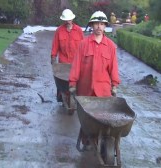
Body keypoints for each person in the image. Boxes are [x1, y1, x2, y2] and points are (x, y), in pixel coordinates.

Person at [69, 10, 120, 149]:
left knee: (103, 118)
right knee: (87, 118)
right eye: (96, 23)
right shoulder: (83, 44)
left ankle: (101, 139)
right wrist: (72, 83)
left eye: (102, 24)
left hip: (103, 90)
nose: (99, 26)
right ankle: (87, 140)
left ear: (105, 26)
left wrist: (114, 85)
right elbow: (76, 65)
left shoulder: (110, 46)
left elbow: (113, 68)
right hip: (85, 89)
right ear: (91, 25)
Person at [51, 9, 84, 102]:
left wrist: (85, 59)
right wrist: (53, 58)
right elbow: (55, 45)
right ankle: (61, 97)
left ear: (72, 19)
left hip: (75, 62)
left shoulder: (78, 31)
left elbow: (83, 47)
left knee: (76, 81)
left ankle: (76, 98)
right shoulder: (59, 31)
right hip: (63, 62)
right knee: (62, 82)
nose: (68, 22)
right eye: (66, 20)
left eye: (69, 19)